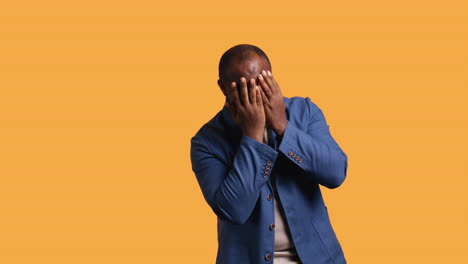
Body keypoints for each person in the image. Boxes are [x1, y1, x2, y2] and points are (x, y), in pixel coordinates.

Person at [190, 44, 348, 264]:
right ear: (223, 87)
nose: (256, 94)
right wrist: (252, 136)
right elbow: (233, 210)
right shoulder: (207, 141)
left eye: (263, 82)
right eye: (244, 87)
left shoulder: (304, 112)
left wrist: (283, 127)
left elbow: (336, 173)